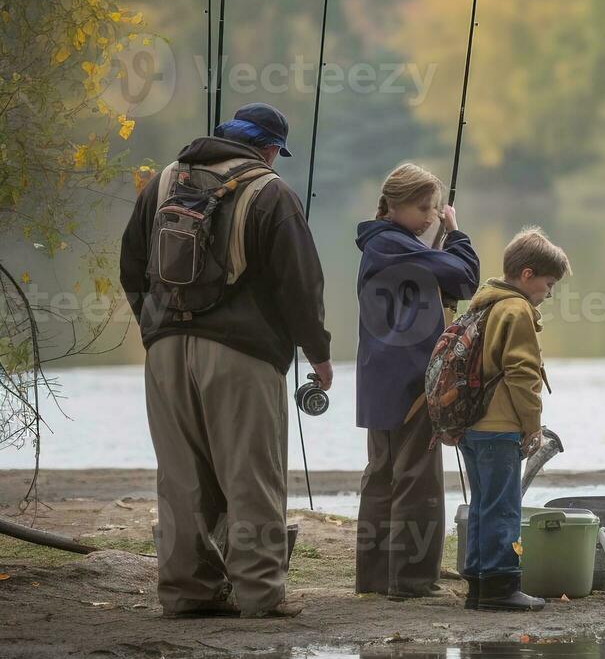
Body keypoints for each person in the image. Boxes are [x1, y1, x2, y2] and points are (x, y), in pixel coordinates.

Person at [120, 102, 331, 618]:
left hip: (165, 352)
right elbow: (300, 285)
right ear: (267, 149)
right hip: (242, 356)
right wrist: (318, 353)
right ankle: (260, 594)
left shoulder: (163, 182)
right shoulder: (271, 192)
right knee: (251, 474)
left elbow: (130, 265)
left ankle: (187, 591)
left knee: (180, 477)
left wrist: (156, 329)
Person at [355, 162, 480, 599]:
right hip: (410, 377)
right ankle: (411, 579)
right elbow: (466, 279)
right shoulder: (396, 245)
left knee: (382, 474)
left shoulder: (382, 244)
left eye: (435, 208)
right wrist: (456, 232)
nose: (432, 215)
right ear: (394, 205)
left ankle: (374, 577)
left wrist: (433, 242)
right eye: (425, 207)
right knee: (417, 477)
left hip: (379, 377)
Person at [459, 227, 570, 612]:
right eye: (548, 282)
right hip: (500, 425)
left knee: (482, 504)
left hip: (471, 424)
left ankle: (477, 583)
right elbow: (522, 373)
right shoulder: (517, 309)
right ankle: (502, 584)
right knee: (504, 507)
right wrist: (532, 425)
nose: (550, 291)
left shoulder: (482, 302)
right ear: (527, 275)